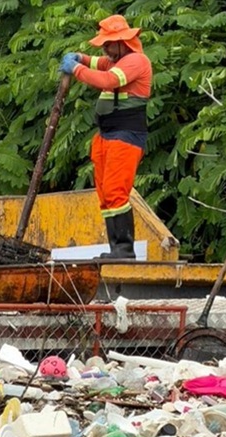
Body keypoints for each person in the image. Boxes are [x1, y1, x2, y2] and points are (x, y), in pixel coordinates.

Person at [60, 15, 152, 259]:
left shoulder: (135, 62)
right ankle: (116, 250)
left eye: (109, 44)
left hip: (126, 137)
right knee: (105, 194)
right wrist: (80, 58)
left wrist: (76, 69)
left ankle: (124, 250)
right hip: (107, 136)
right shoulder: (115, 59)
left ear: (122, 42)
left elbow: (107, 80)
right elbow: (97, 63)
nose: (105, 49)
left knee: (115, 192)